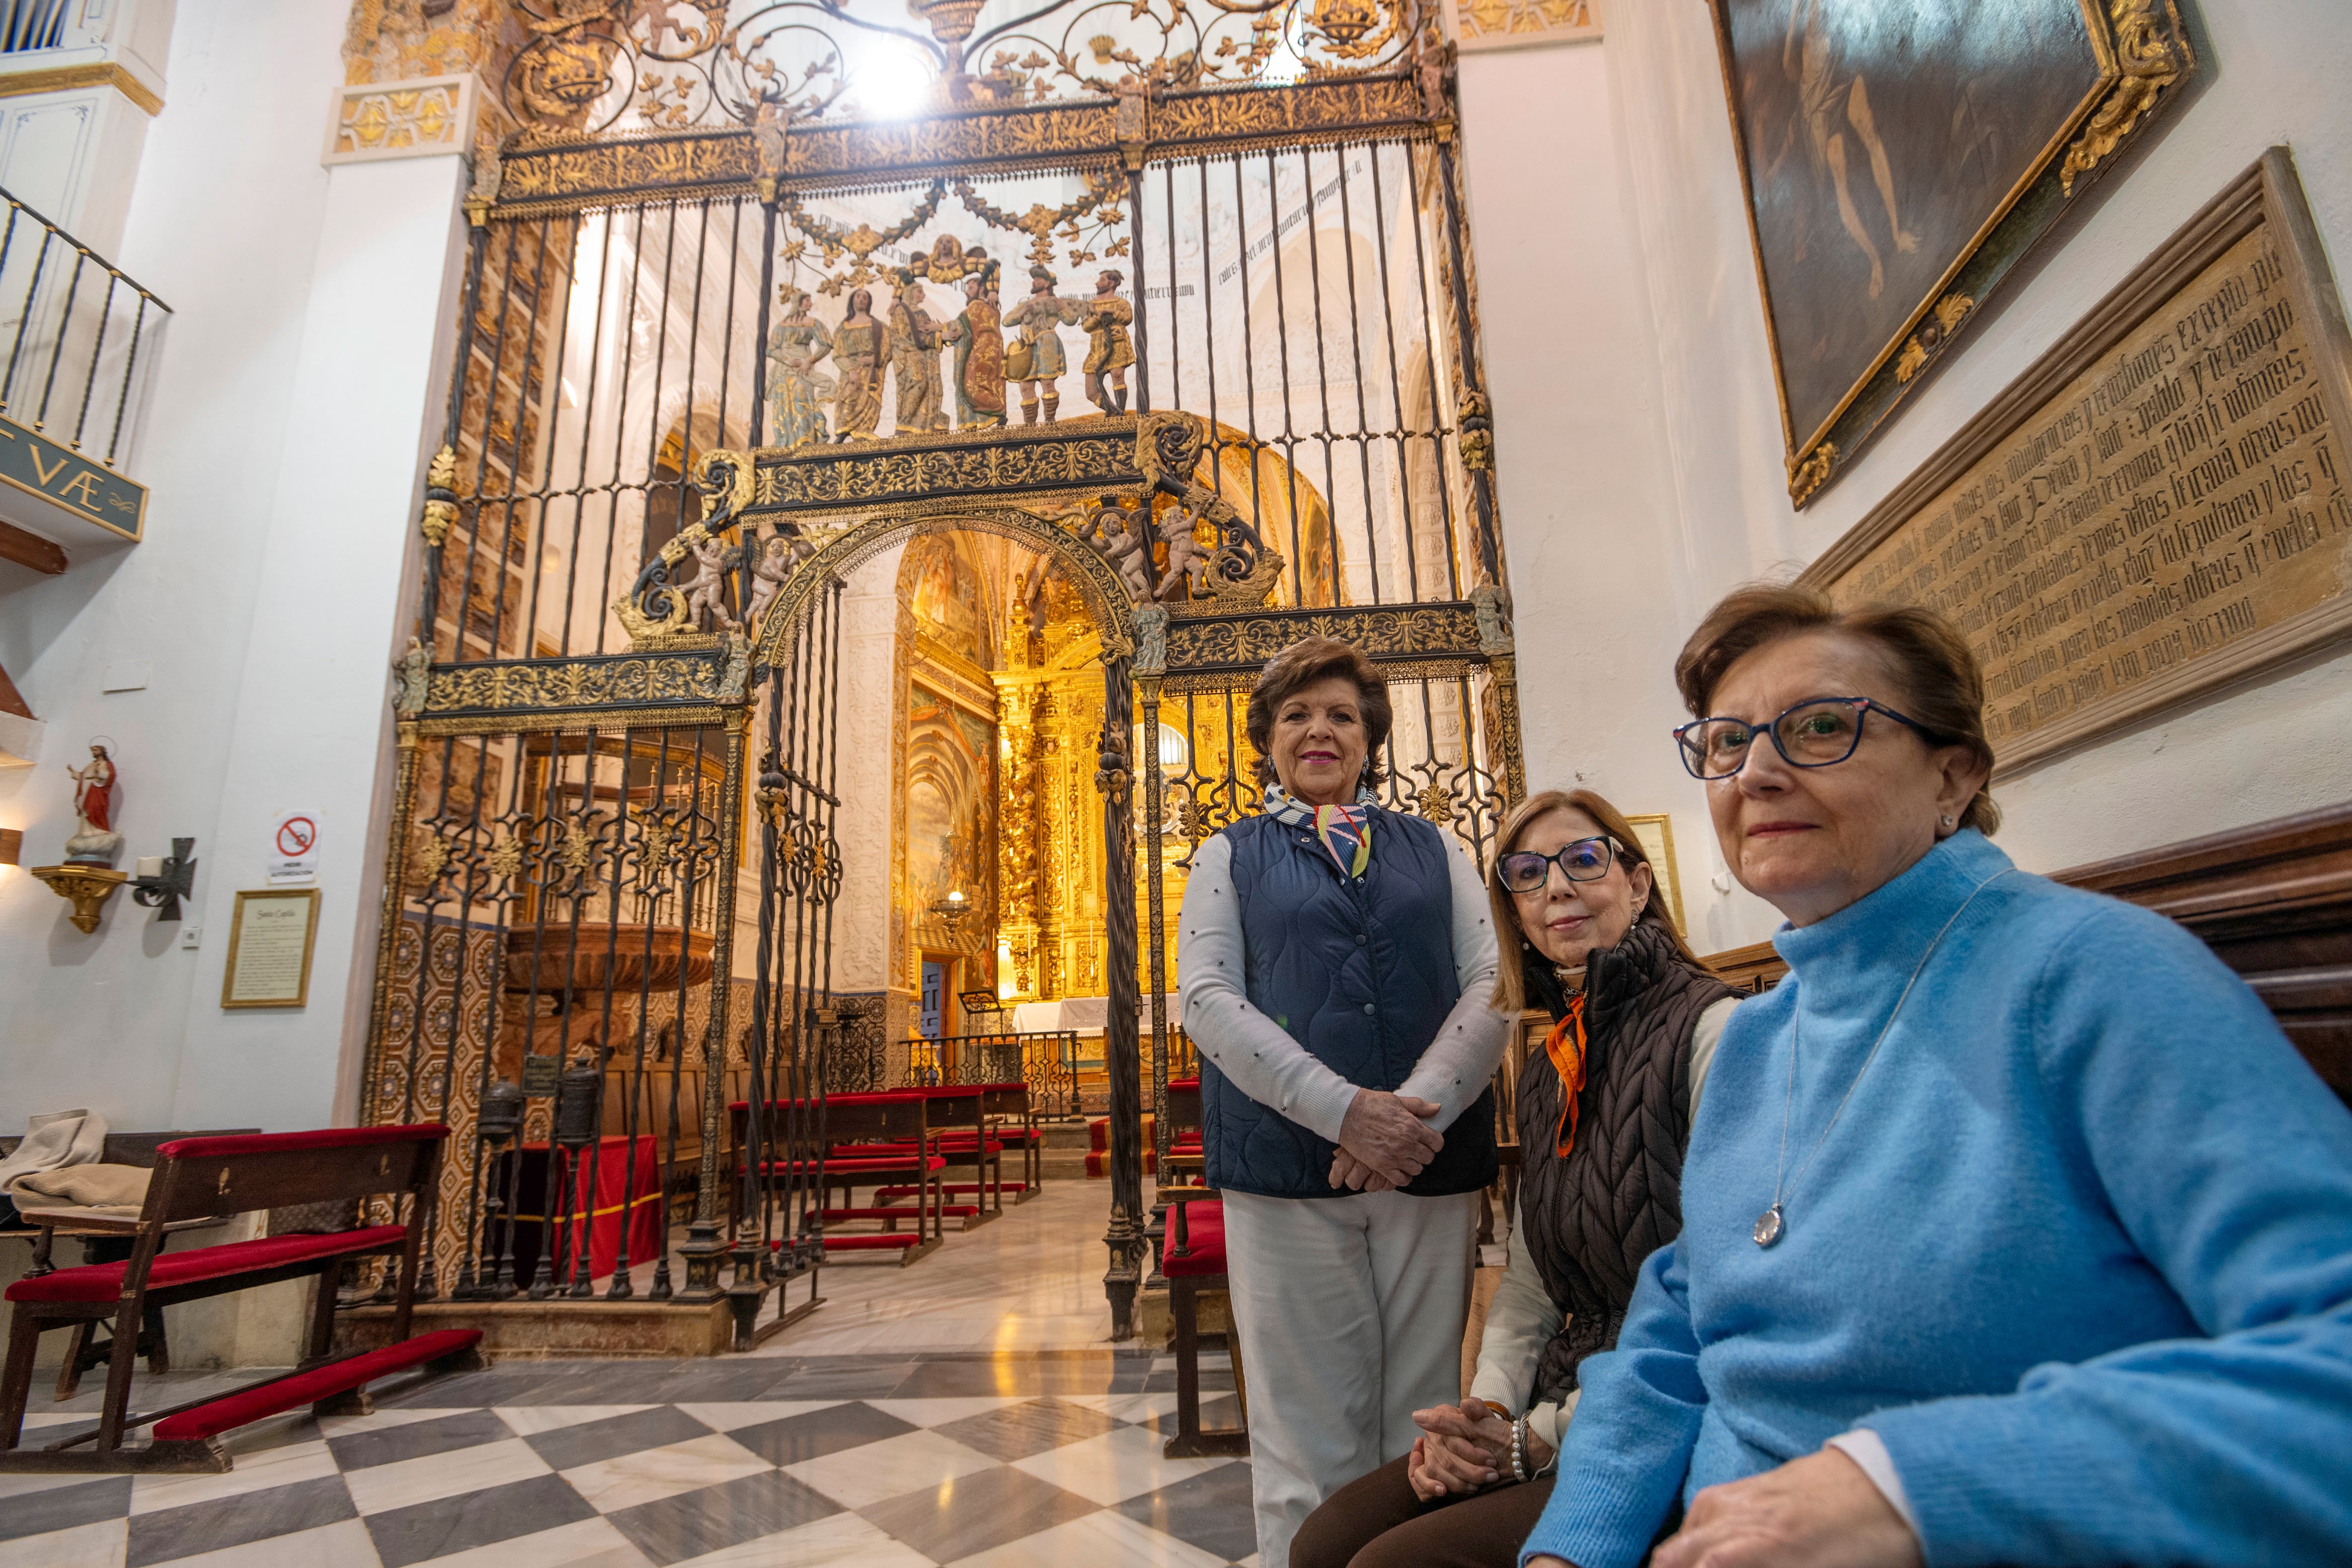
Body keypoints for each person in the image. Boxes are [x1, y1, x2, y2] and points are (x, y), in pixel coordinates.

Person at [1523, 583, 2352, 1568]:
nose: (1756, 772)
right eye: (1725, 741)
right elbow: (1677, 1323)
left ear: (1952, 776)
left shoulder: (2092, 974)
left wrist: (1907, 1486)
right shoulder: (1755, 1035)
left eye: (1821, 726)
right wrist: (1575, 1544)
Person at [1294, 788, 1739, 1568]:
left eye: (1583, 860)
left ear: (1637, 884)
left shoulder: (1714, 1030)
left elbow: (1723, 1296)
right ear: (1517, 913)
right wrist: (1488, 1408)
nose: (1556, 887)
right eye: (1528, 873)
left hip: (1673, 1415)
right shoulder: (1547, 1067)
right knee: (1326, 1538)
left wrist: (1535, 1437)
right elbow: (1531, 1282)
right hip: (1563, 1401)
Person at [1177, 637, 1513, 1568]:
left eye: (1339, 715)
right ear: (1268, 741)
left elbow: (1495, 979)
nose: (1318, 729)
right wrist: (1342, 1112)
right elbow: (1206, 997)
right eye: (1296, 714)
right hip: (1285, 1169)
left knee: (1422, 1409)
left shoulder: (1435, 845)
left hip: (1427, 1162)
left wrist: (1413, 1112)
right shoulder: (1228, 852)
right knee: (1301, 1423)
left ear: (1369, 739)